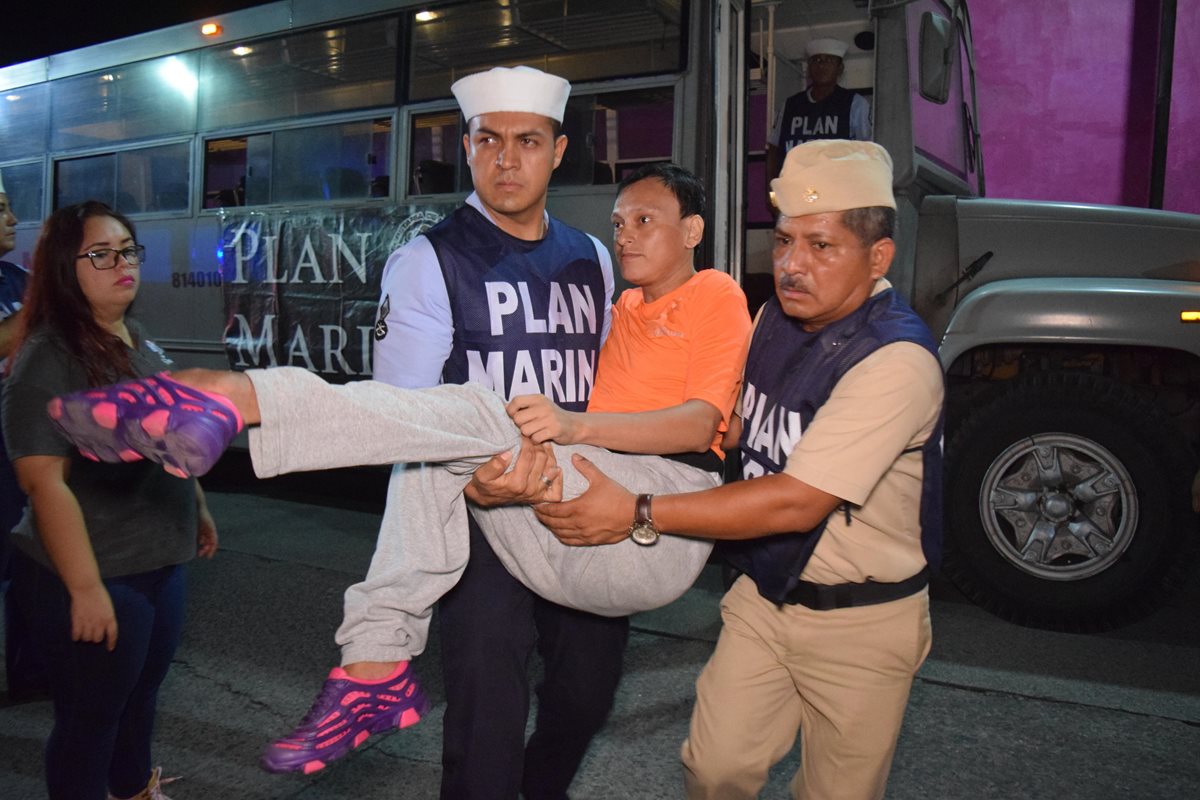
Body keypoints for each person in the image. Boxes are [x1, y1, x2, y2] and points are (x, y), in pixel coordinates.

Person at [50, 162, 753, 777]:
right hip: (581, 500)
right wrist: (537, 452)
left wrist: (571, 426)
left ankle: (239, 396)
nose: (625, 234)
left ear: (692, 230)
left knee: (477, 412)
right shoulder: (617, 300)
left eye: (646, 221)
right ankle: (374, 667)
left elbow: (698, 423)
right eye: (620, 219)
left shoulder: (715, 292)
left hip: (661, 514)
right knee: (437, 443)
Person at [532, 140, 945, 800]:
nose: (791, 265)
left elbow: (792, 502)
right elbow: (732, 432)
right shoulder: (773, 321)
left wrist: (637, 510)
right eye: (783, 242)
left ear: (878, 257)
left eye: (820, 246)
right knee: (713, 768)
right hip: (764, 593)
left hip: (861, 618)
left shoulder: (895, 362)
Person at [1, 201, 219, 800]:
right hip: (96, 568)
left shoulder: (134, 338)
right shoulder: (50, 357)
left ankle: (134, 789)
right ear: (64, 269)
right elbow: (44, 483)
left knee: (140, 695)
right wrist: (86, 588)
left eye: (127, 250)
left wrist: (195, 505)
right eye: (100, 254)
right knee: (90, 719)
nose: (120, 263)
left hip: (156, 559)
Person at [0, 170, 46, 705]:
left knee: (32, 562)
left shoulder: (13, 278)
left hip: (20, 450)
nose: (14, 219)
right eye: (2, 208)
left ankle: (31, 674)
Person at [765, 37, 871, 187]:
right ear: (809, 67)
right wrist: (772, 192)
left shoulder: (854, 103)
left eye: (829, 61)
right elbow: (774, 150)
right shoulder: (791, 105)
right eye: (817, 60)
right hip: (795, 190)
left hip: (838, 191)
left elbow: (867, 150)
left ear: (840, 68)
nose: (822, 66)